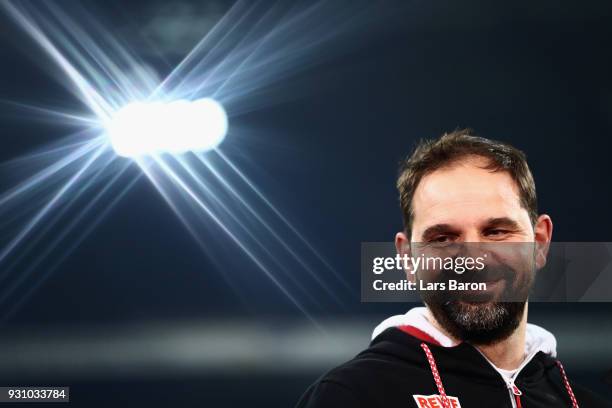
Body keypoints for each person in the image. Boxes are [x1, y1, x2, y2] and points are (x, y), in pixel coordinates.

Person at [297, 130, 611, 407]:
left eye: (497, 231)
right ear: (407, 258)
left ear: (540, 243)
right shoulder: (352, 396)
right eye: (443, 238)